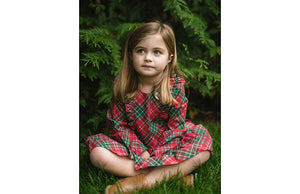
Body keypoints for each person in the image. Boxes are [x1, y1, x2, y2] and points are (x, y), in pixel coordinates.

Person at [86, 21, 213, 194]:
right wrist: (141, 151)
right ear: (130, 55)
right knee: (97, 153)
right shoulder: (124, 85)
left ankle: (141, 182)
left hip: (167, 145)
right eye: (141, 50)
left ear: (169, 57)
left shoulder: (174, 87)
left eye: (157, 52)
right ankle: (171, 175)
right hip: (132, 147)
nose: (148, 57)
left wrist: (159, 153)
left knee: (204, 148)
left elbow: (175, 128)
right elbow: (118, 125)